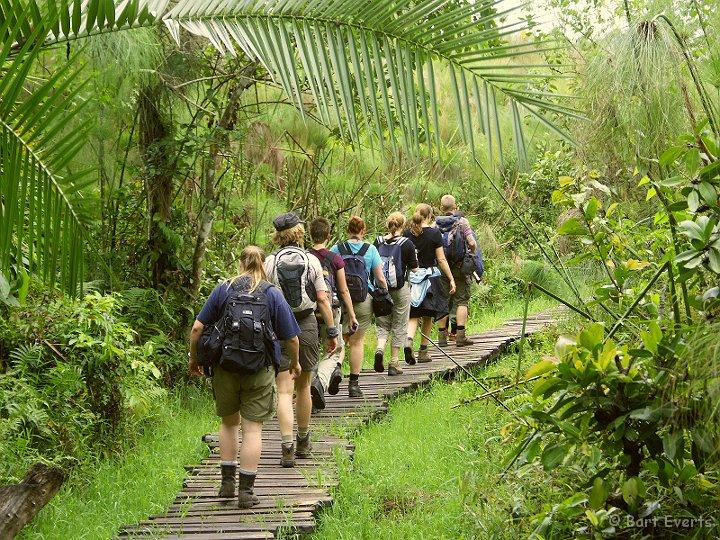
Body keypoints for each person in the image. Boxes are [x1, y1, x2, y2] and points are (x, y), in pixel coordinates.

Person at [188, 246, 301, 508]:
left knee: (229, 424)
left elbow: (197, 328)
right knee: (252, 428)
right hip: (259, 369)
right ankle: (246, 492)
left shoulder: (223, 289)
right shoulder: (272, 293)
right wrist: (294, 364)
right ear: (264, 264)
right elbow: (292, 338)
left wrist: (195, 359)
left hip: (225, 367)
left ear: (240, 263)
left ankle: (227, 484)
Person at [264, 212, 338, 468]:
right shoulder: (312, 261)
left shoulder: (269, 262)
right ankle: (303, 441)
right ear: (299, 233)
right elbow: (323, 299)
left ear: (278, 235)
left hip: (277, 325)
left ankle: (286, 447)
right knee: (304, 385)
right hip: (305, 324)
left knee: (283, 389)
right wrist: (331, 331)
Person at [331, 215, 388, 398]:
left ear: (348, 230)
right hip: (363, 300)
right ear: (363, 231)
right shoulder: (370, 249)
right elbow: (379, 278)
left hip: (339, 300)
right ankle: (354, 385)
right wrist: (385, 292)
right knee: (357, 342)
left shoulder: (336, 249)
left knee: (340, 339)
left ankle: (337, 369)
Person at [307, 218, 360, 408]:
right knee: (334, 351)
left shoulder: (305, 257)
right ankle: (320, 382)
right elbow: (344, 290)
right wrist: (352, 315)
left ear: (310, 235)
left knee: (310, 353)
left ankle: (310, 394)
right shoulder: (335, 259)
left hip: (308, 312)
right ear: (328, 236)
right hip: (331, 309)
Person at [403, 203, 456, 363]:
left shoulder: (406, 234)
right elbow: (440, 259)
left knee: (413, 314)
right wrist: (451, 278)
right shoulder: (434, 234)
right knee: (428, 314)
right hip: (429, 278)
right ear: (430, 216)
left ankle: (409, 339)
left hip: (412, 279)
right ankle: (423, 351)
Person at [373, 212, 419, 375]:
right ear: (403, 225)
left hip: (380, 290)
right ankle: (393, 363)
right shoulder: (406, 243)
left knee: (383, 323)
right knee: (400, 323)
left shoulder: (377, 242)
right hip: (400, 289)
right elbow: (414, 268)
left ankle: (379, 349)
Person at [435, 194, 478, 347]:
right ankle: (460, 336)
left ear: (441, 207)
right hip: (460, 267)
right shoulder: (462, 222)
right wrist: (472, 252)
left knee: (443, 300)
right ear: (455, 207)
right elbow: (472, 243)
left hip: (442, 268)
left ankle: (441, 337)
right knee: (462, 301)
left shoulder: (435, 224)